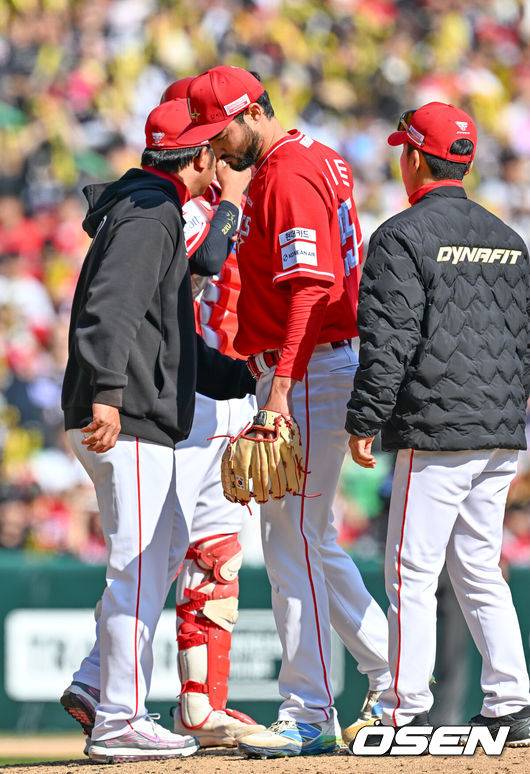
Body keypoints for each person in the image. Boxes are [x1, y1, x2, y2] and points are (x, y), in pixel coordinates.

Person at [177, 65, 391, 758]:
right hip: (319, 362)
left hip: (311, 365)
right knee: (311, 537)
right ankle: (396, 675)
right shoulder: (314, 156)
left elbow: (309, 289)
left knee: (292, 538)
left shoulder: (290, 172)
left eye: (221, 130)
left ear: (249, 113)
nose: (218, 146)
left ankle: (309, 710)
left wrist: (278, 389)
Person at [60, 98, 255, 762]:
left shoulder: (147, 205)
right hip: (128, 415)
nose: (219, 163)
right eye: (213, 153)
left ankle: (98, 688)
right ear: (198, 156)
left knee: (161, 555)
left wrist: (240, 380)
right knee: (138, 569)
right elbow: (108, 310)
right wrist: (108, 395)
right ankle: (120, 718)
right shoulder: (151, 211)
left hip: (140, 409)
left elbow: (163, 336)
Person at [346, 102, 530, 746]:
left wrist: (365, 417)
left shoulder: (401, 235)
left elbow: (388, 339)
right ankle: (512, 701)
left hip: (438, 429)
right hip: (502, 432)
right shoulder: (509, 239)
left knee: (410, 571)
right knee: (479, 567)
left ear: (415, 157)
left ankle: (403, 709)